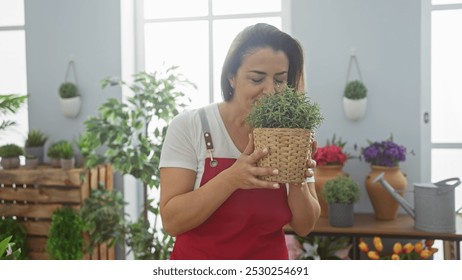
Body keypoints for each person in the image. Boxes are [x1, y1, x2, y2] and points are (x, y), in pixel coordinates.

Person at [159, 23, 320, 260]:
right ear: (231, 77)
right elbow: (172, 222)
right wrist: (232, 178)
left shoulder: (291, 133)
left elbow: (305, 226)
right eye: (256, 79)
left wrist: (297, 179)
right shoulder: (191, 125)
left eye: (280, 80)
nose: (270, 91)